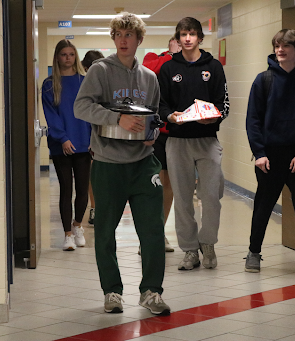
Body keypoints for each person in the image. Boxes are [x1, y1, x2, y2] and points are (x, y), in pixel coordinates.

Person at [74, 12, 171, 316]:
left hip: (143, 164)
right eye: (118, 35)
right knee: (105, 231)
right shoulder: (100, 71)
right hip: (108, 164)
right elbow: (82, 106)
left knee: (153, 230)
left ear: (139, 39)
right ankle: (112, 291)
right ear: (113, 39)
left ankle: (151, 291)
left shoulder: (150, 78)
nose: (123, 40)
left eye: (129, 35)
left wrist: (151, 133)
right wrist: (117, 118)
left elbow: (153, 115)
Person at [244, 29, 295, 283]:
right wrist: (259, 153)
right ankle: (254, 252)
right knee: (263, 206)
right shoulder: (263, 80)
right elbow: (253, 120)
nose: (280, 50)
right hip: (269, 157)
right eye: (277, 45)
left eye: (286, 46)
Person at [158, 17, 229, 270]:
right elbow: (161, 105)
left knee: (211, 196)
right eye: (183, 34)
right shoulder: (167, 69)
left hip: (207, 140)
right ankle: (189, 250)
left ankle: (208, 244)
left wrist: (213, 117)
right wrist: (170, 116)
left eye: (192, 34)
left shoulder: (214, 67)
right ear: (177, 39)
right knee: (183, 199)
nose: (187, 38)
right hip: (177, 142)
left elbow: (224, 104)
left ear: (200, 38)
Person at [41, 40, 91, 251]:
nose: (68, 58)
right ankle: (67, 235)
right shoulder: (50, 84)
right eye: (64, 54)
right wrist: (63, 138)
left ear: (75, 57)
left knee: (82, 189)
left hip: (83, 142)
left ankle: (78, 225)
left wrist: (92, 140)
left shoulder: (85, 81)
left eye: (71, 54)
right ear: (57, 57)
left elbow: (91, 112)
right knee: (65, 189)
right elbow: (51, 114)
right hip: (61, 145)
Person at [140, 37, 182, 253]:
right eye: (177, 40)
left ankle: (160, 232)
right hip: (155, 133)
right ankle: (146, 237)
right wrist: (170, 56)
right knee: (153, 185)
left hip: (175, 133)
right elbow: (148, 70)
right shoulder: (155, 58)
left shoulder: (184, 65)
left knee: (170, 187)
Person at [81, 50, 105, 226]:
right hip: (88, 136)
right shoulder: (84, 85)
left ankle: (101, 208)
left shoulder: (106, 85)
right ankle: (95, 208)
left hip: (105, 136)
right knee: (93, 175)